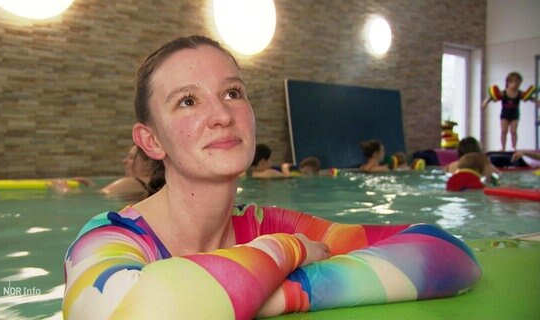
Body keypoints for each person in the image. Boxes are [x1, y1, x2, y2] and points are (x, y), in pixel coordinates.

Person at [62, 35, 481, 319]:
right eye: (188, 101)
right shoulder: (108, 239)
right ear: (151, 141)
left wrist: (273, 292)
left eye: (232, 93)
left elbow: (445, 253)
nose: (222, 116)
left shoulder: (263, 222)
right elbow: (137, 311)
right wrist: (284, 252)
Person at [481, 72, 536, 151]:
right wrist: (484, 103)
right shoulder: (503, 93)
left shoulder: (519, 93)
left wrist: (537, 102)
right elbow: (491, 98)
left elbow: (530, 98)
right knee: (504, 131)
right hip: (505, 115)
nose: (517, 85)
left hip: (515, 115)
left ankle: (514, 147)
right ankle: (503, 147)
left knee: (513, 131)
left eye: (519, 84)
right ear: (508, 83)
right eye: (515, 83)